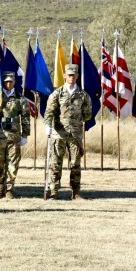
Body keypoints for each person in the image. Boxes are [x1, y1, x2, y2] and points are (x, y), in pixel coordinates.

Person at [44, 63, 92, 200]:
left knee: (75, 163)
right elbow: (49, 112)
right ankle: (54, 192)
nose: (71, 77)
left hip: (75, 134)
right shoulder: (57, 94)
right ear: (65, 75)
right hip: (59, 133)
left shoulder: (83, 95)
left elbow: (88, 114)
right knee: (55, 163)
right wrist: (47, 125)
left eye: (74, 75)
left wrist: (76, 122)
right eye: (69, 75)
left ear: (77, 76)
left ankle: (76, 192)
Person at [0, 71, 30, 199]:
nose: (9, 83)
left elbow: (25, 117)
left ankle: (9, 189)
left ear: (14, 82)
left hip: (14, 137)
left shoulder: (20, 99)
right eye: (6, 81)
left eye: (11, 81)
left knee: (13, 164)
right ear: (3, 82)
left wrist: (25, 135)